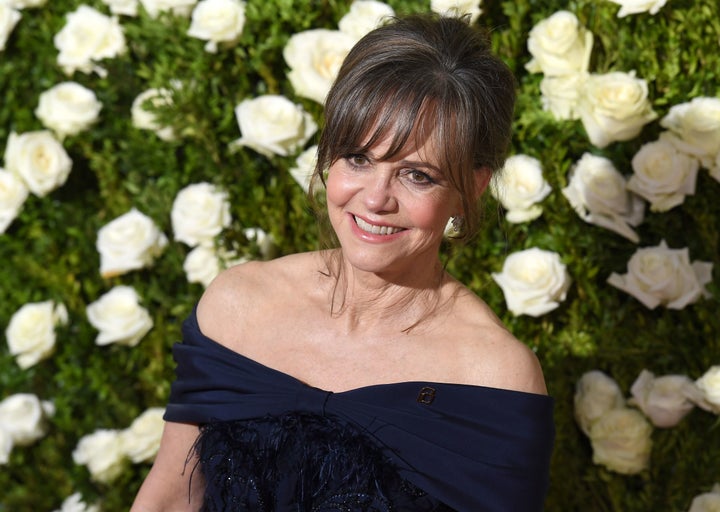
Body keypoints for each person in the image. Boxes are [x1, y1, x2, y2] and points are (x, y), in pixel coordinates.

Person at [131, 13, 554, 512]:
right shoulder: (236, 308)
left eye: (416, 175)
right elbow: (170, 499)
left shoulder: (496, 380)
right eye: (358, 158)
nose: (375, 199)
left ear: (471, 188)